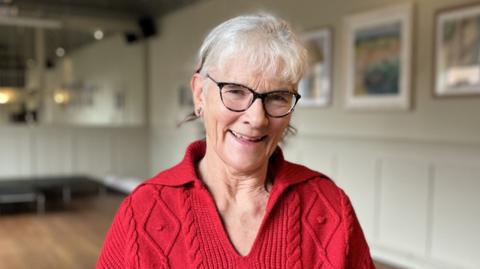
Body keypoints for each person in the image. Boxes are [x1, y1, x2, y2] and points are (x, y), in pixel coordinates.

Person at [97, 13, 375, 269]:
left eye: (277, 97)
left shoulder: (329, 205)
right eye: (235, 91)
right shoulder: (143, 211)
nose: (257, 118)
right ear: (199, 94)